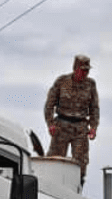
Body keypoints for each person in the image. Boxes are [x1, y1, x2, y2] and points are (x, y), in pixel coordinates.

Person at [43, 54, 100, 184]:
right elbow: (49, 105)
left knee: (80, 163)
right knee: (55, 160)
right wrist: (50, 123)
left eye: (87, 70)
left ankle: (77, 186)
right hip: (62, 125)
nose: (85, 73)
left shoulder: (91, 84)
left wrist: (93, 127)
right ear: (75, 68)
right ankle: (51, 185)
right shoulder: (62, 82)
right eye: (83, 70)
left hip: (80, 128)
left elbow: (94, 108)